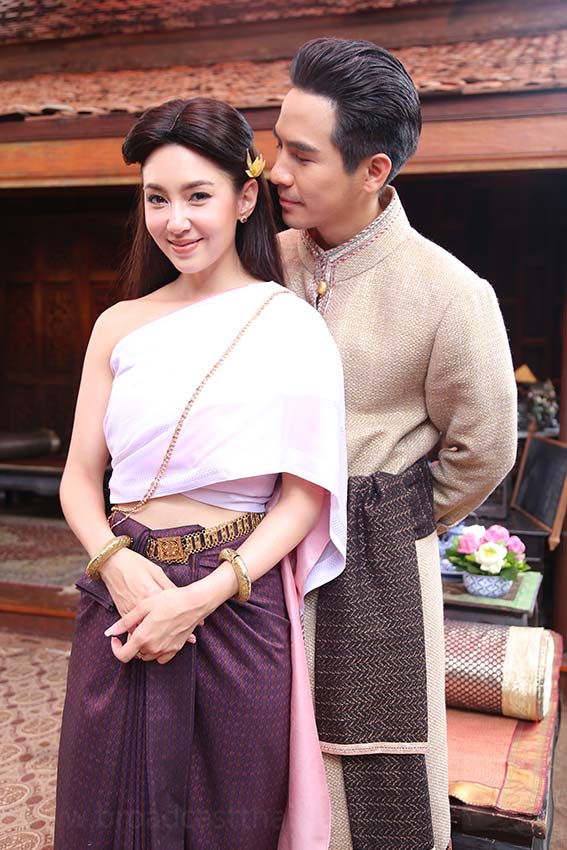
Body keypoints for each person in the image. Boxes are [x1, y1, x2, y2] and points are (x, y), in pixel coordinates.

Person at [54, 96, 347, 850]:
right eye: (157, 198)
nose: (175, 220)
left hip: (236, 600)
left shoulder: (290, 324)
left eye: (197, 196)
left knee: (229, 818)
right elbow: (80, 478)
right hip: (121, 588)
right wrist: (115, 563)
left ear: (245, 198)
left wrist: (204, 595)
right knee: (102, 810)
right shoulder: (118, 325)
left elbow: (303, 497)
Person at [271, 38, 517, 850]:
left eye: (302, 156)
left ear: (372, 170)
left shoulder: (449, 294)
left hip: (372, 568)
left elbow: (484, 448)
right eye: (276, 146)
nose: (276, 172)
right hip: (255, 554)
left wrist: (386, 515)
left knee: (367, 781)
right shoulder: (264, 263)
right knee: (256, 753)